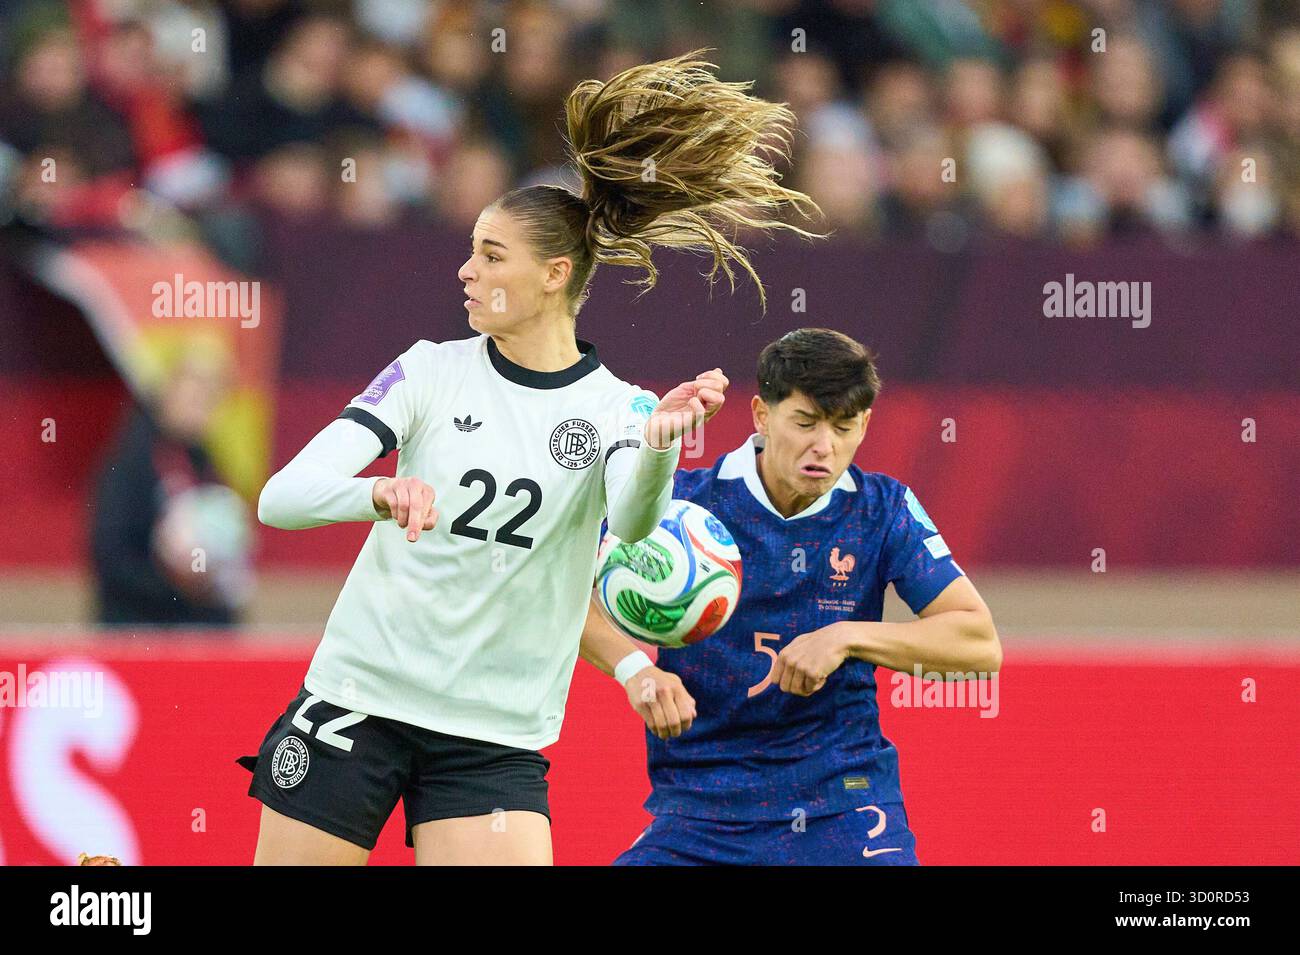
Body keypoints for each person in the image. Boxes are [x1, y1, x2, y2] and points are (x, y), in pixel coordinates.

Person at [239, 50, 825, 866]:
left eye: (490, 255)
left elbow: (632, 519)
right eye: (472, 250)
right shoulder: (428, 368)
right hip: (356, 700)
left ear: (554, 275)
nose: (466, 270)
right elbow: (283, 496)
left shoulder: (617, 409)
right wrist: (377, 495)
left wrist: (658, 443)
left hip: (492, 732)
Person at [580, 328, 1001, 865]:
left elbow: (978, 642)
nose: (823, 447)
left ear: (865, 424)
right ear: (761, 415)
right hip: (701, 809)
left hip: (844, 803)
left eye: (844, 427)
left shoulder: (882, 510)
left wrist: (847, 636)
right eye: (804, 423)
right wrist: (636, 669)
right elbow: (570, 597)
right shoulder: (680, 506)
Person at [90, 344, 248, 628]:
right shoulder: (132, 457)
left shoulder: (207, 461)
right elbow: (110, 555)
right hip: (136, 627)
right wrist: (176, 583)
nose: (202, 402)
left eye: (214, 393)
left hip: (195, 627)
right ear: (170, 389)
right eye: (195, 389)